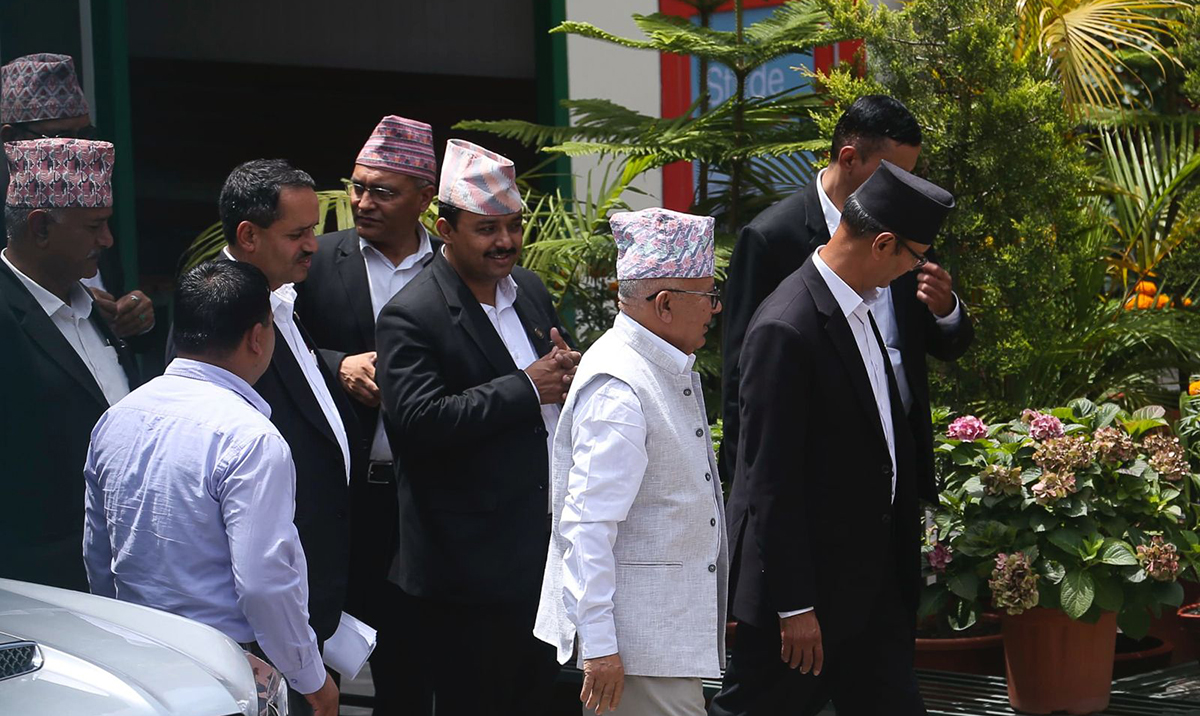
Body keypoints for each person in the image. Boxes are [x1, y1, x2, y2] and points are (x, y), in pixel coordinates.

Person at [709, 162, 956, 716]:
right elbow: (769, 481)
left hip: (871, 592)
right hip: (808, 603)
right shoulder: (786, 326)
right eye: (915, 258)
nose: (915, 270)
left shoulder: (859, 306)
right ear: (883, 243)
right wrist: (794, 606)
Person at [376, 139, 578, 716]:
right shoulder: (411, 313)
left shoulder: (529, 290)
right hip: (467, 573)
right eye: (487, 229)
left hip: (544, 555)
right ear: (445, 229)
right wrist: (526, 387)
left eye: (513, 226)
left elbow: (552, 377)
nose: (506, 241)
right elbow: (418, 421)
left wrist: (571, 373)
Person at [84, 260, 339, 716]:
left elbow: (97, 556)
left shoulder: (116, 417)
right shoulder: (252, 438)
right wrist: (311, 679)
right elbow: (263, 585)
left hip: (136, 654)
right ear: (257, 337)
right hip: (224, 670)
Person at [721, 95, 972, 489]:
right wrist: (746, 491)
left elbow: (938, 342)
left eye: (910, 174)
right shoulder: (771, 239)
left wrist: (946, 311)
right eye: (894, 172)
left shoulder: (905, 221)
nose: (904, 186)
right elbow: (742, 376)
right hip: (818, 468)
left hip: (899, 458)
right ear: (850, 158)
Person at [535, 207, 729, 716]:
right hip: (636, 654)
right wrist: (600, 647)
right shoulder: (619, 385)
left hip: (657, 647)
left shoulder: (651, 364)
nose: (714, 309)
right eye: (708, 295)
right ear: (665, 303)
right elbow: (587, 526)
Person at [174, 159, 363, 659]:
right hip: (264, 617)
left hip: (312, 591)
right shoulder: (214, 314)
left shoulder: (280, 298)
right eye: (297, 234)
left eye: (313, 230)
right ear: (248, 236)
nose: (313, 245)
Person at [294, 115, 439, 715]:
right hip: (340, 501)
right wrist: (337, 366)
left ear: (425, 199)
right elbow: (273, 346)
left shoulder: (452, 269)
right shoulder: (318, 259)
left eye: (383, 191)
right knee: (314, 666)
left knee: (411, 673)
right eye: (357, 187)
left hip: (422, 503)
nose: (362, 202)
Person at [0, 137, 138, 590]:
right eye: (94, 226)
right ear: (40, 227)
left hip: (123, 572)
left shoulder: (96, 310)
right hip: (39, 589)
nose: (107, 240)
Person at [1, 53, 155, 340]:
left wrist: (135, 317)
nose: (80, 147)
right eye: (60, 135)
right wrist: (69, 302)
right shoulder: (13, 221)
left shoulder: (90, 204)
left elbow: (119, 311)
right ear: (10, 138)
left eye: (86, 133)